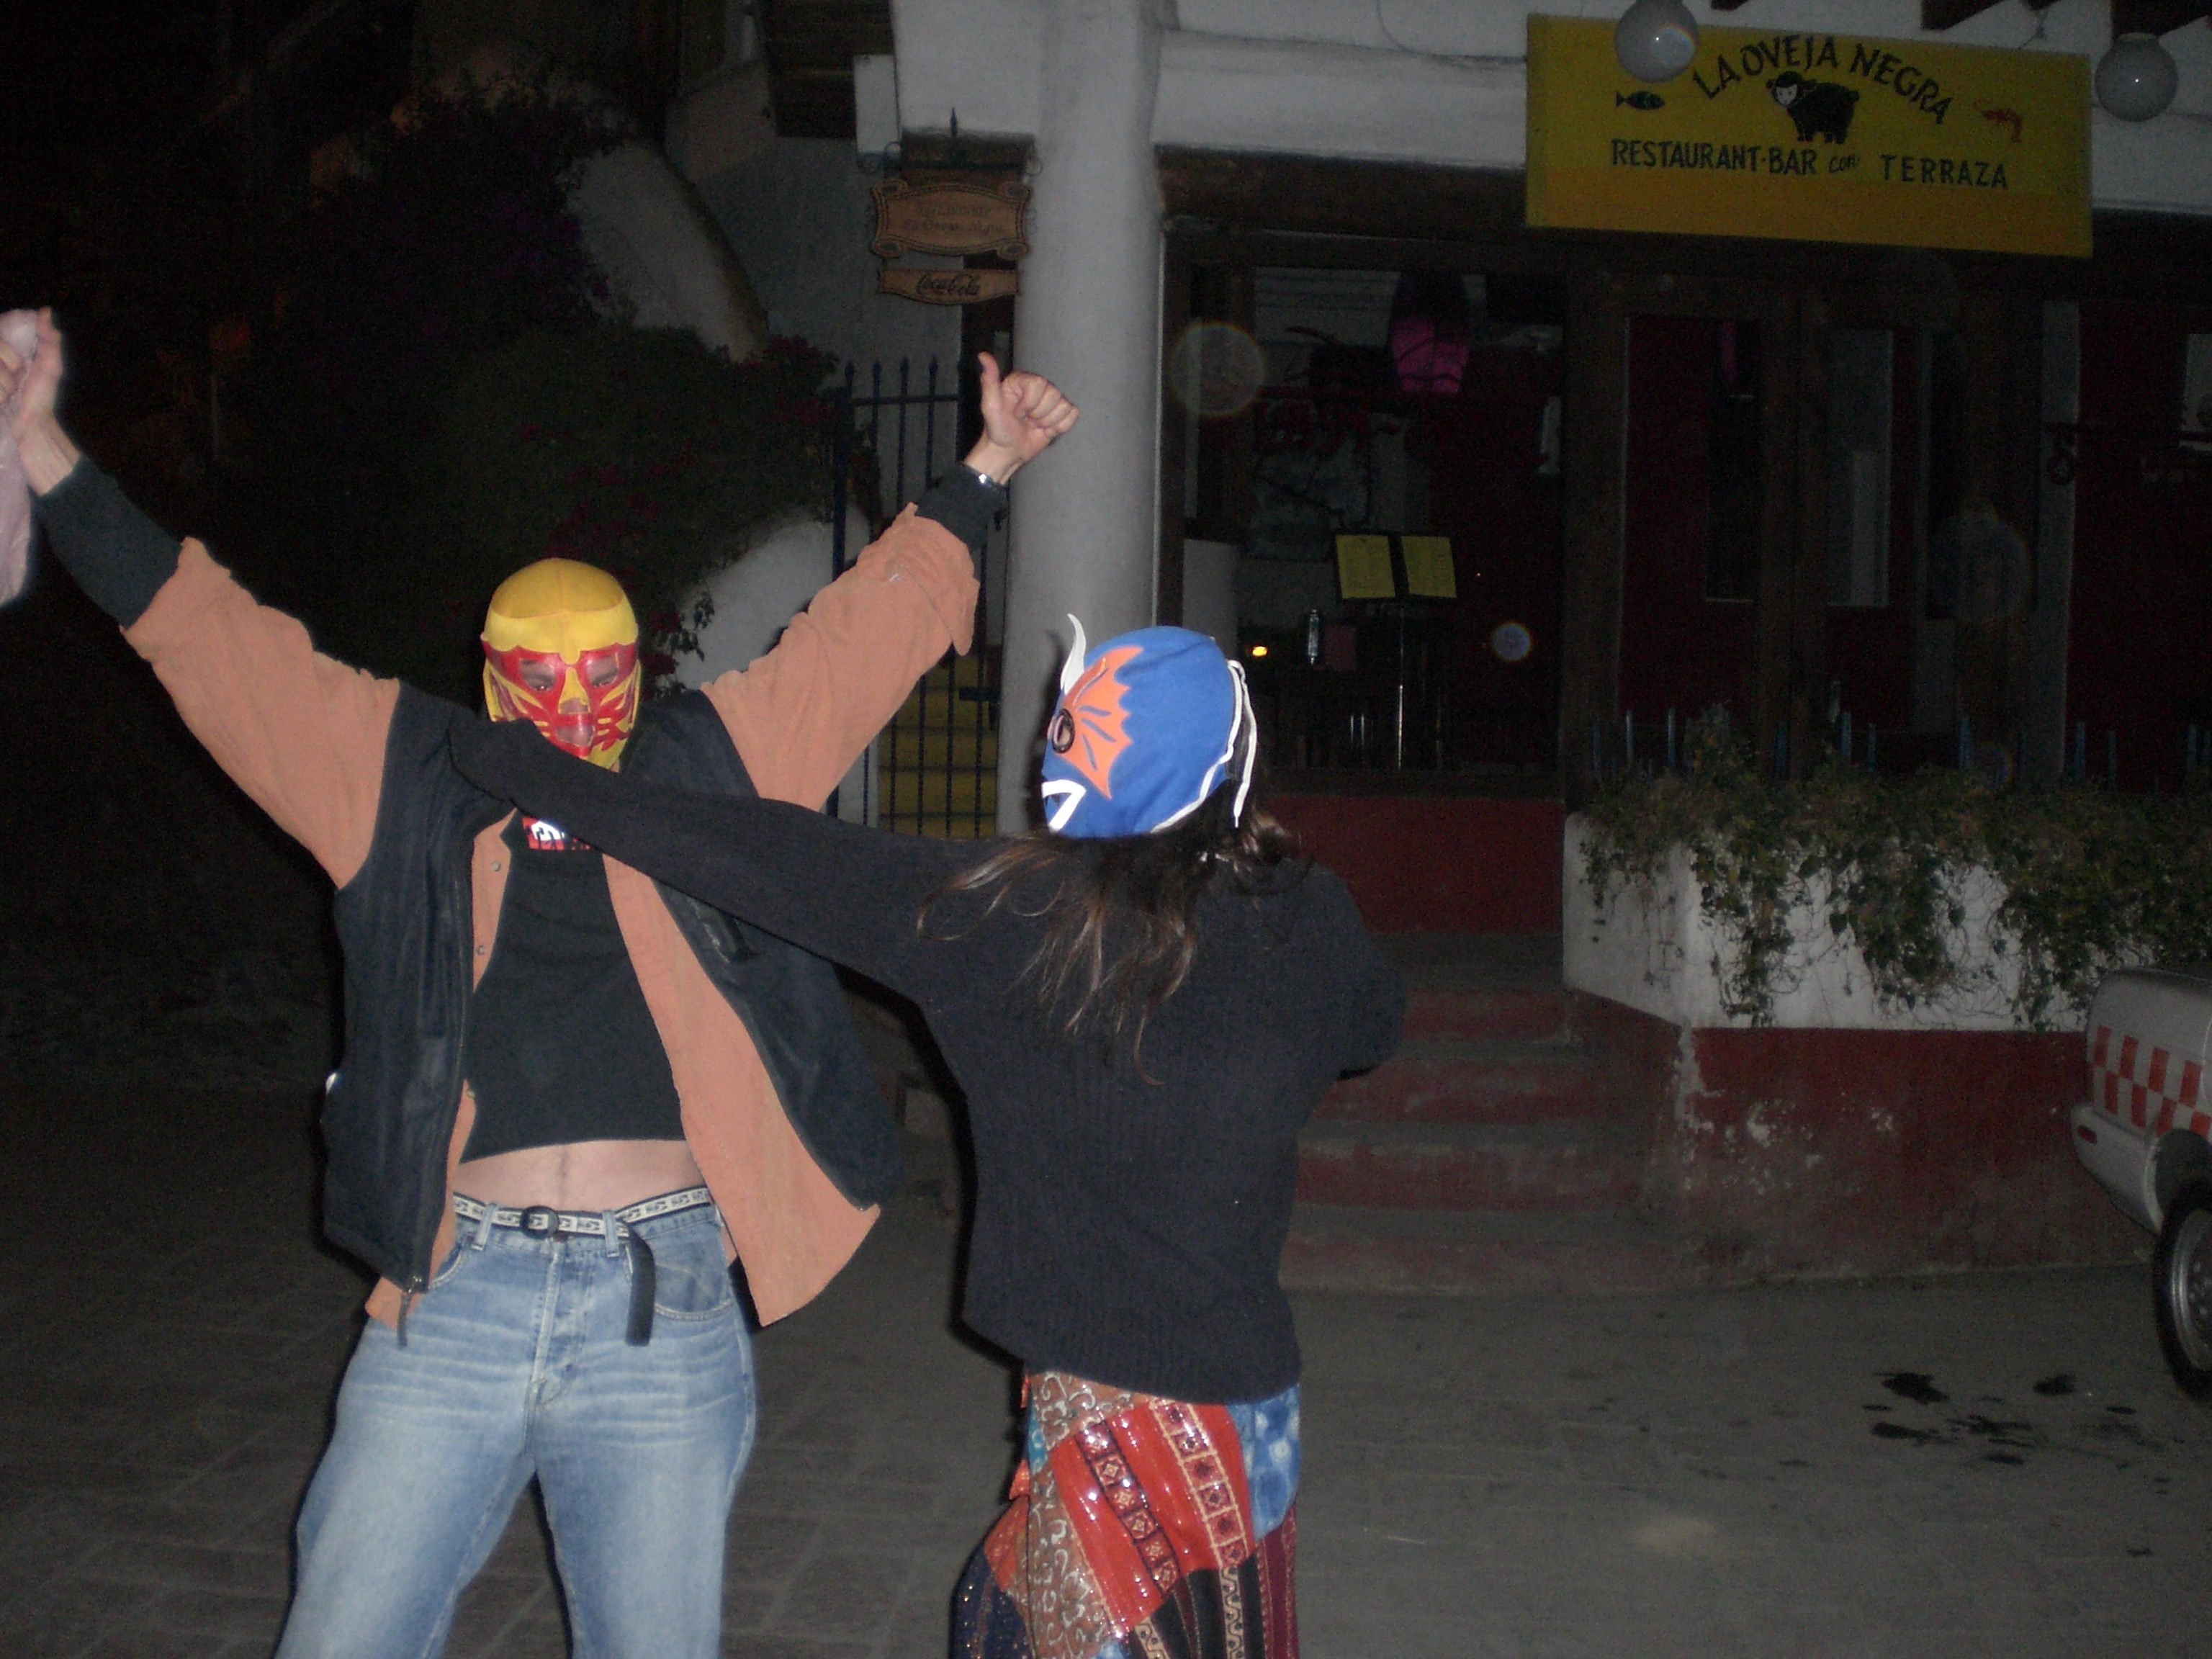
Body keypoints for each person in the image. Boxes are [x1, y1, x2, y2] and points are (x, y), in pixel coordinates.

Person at [0, 307, 1077, 1658]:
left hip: (662, 1300)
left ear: (643, 667)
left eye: (602, 676)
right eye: (540, 680)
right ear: (491, 677)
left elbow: (863, 636)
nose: (572, 710)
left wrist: (988, 464)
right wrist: (41, 446)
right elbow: (208, 636)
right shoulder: (400, 774)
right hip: (454, 1296)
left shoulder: (711, 767)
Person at [450, 610, 1407, 1658]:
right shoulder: (1307, 914)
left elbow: (762, 853)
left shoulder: (1018, 921)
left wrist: (539, 774)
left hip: (1115, 1417)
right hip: (1252, 1408)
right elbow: (1373, 1026)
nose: (1044, 748)